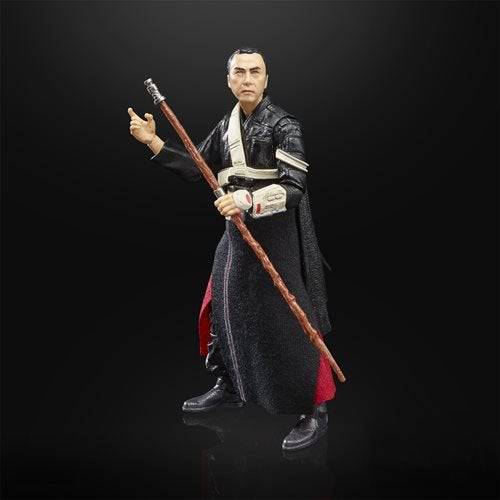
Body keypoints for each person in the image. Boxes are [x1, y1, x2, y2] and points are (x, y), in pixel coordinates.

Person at [128, 47, 336, 451]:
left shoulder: (285, 125)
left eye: (254, 72)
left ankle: (315, 408)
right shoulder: (227, 125)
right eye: (239, 72)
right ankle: (229, 384)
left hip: (275, 233)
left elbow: (294, 187)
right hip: (236, 234)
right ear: (229, 80)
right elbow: (200, 168)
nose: (247, 79)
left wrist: (247, 200)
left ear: (266, 79)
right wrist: (153, 142)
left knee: (290, 318)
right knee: (222, 304)